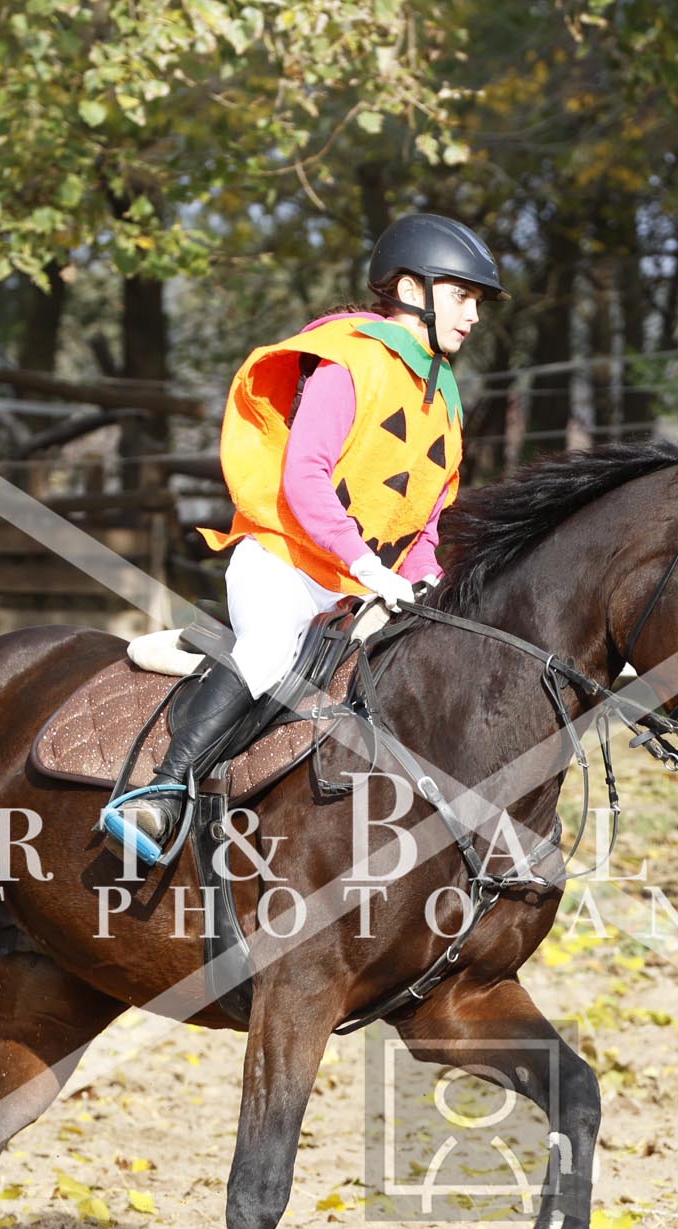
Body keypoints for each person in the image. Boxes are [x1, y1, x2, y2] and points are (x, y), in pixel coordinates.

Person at [100, 213, 507, 867]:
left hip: (362, 587)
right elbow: (305, 477)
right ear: (411, 289)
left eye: (477, 301)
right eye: (462, 296)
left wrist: (425, 575)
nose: (474, 315)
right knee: (267, 654)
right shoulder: (348, 361)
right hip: (286, 564)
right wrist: (364, 564)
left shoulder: (447, 397)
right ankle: (161, 793)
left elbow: (432, 514)